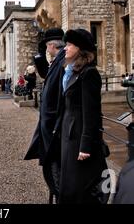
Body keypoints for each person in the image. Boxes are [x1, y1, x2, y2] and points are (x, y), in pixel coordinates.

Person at [57, 29, 109, 204]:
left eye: (69, 45)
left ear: (80, 49)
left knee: (79, 188)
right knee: (69, 185)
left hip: (79, 137)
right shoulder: (72, 71)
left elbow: (91, 112)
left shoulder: (89, 73)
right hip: (68, 134)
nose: (65, 48)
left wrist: (86, 145)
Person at [24, 28, 65, 203]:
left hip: (54, 128)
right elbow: (44, 74)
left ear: (51, 45)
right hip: (49, 126)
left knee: (55, 174)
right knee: (51, 172)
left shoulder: (63, 62)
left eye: (47, 46)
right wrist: (41, 52)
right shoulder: (57, 60)